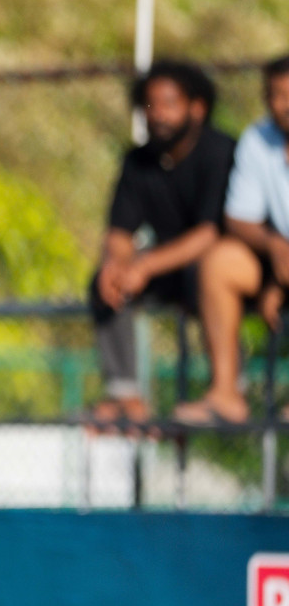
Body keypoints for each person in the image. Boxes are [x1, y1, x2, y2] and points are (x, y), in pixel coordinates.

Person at [87, 60, 234, 423]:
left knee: (209, 271)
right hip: (163, 269)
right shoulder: (137, 162)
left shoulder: (221, 152)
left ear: (196, 107)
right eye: (150, 105)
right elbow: (120, 231)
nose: (159, 115)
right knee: (103, 281)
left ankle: (229, 389)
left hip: (215, 266)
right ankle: (125, 396)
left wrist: (144, 265)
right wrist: (118, 265)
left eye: (169, 103)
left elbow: (210, 232)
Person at [174, 55, 289, 424]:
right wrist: (274, 250)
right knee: (220, 261)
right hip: (280, 259)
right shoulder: (259, 139)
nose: (281, 105)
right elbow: (239, 218)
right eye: (273, 95)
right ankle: (226, 394)